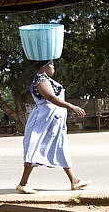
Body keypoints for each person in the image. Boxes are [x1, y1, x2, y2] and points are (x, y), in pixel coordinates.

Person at [16, 60, 91, 194]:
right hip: (43, 121)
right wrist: (71, 106)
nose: (53, 67)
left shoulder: (47, 79)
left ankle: (74, 180)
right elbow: (50, 97)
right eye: (51, 64)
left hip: (54, 121)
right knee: (35, 147)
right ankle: (23, 183)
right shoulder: (41, 79)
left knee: (61, 147)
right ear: (43, 66)